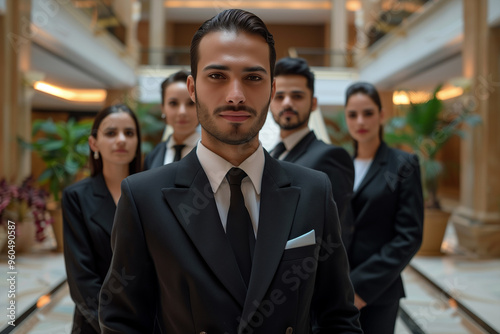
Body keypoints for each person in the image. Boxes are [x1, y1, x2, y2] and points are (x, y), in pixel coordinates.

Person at [99, 9, 362, 333]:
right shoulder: (144, 198)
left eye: (253, 77)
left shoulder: (314, 191)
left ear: (270, 88)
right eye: (217, 76)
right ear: (193, 88)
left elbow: (338, 315)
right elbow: (122, 321)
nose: (236, 96)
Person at [344, 81, 423, 334]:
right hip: (336, 290)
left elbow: (409, 236)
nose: (360, 121)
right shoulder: (337, 164)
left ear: (381, 115)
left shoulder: (403, 164)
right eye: (353, 115)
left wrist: (359, 287)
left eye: (368, 113)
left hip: (378, 290)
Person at [62, 104, 141, 333]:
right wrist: (110, 328)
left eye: (129, 133)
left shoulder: (152, 192)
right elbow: (81, 278)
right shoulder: (76, 197)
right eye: (110, 133)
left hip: (145, 319)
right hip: (96, 322)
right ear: (93, 143)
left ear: (137, 142)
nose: (121, 140)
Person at [269, 56, 354, 241]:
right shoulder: (269, 154)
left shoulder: (331, 157)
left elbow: (332, 232)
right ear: (269, 102)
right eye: (279, 96)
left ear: (313, 103)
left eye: (297, 96)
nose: (287, 103)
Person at [143, 70, 200, 170]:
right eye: (173, 103)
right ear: (163, 108)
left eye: (191, 103)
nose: (182, 112)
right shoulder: (153, 156)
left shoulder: (212, 154)